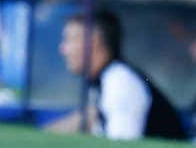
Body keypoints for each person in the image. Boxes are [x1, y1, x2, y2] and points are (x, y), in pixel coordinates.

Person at [48, 10, 186, 140]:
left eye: (69, 40)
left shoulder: (120, 82)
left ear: (93, 43)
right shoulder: (103, 80)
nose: (63, 49)